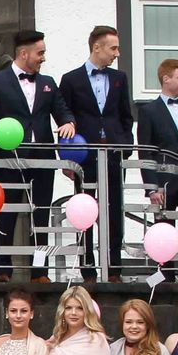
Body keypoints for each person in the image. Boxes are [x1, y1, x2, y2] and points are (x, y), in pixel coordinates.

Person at [0, 29, 76, 281]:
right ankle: (2, 269)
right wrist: (1, 134)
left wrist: (68, 123)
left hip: (42, 159)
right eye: (40, 53)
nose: (43, 57)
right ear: (24, 54)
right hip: (9, 158)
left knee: (40, 214)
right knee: (7, 212)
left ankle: (39, 271)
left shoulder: (48, 83)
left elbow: (63, 111)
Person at [56, 25, 134, 277]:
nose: (117, 53)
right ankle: (87, 267)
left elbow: (126, 116)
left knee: (114, 210)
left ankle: (114, 268)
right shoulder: (71, 79)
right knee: (84, 210)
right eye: (113, 48)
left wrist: (125, 147)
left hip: (113, 154)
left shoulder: (120, 78)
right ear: (96, 47)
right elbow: (64, 118)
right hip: (84, 156)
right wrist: (66, 158)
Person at [133, 58, 178, 262]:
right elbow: (145, 152)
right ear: (166, 79)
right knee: (164, 233)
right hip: (163, 183)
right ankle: (166, 276)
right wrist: (151, 188)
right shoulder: (148, 111)